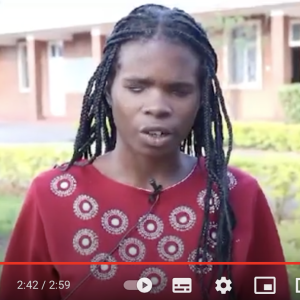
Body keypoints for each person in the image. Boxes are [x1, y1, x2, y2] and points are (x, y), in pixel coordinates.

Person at [0, 4, 290, 300]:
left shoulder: (238, 195)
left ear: (202, 98)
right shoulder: (53, 196)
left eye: (179, 90)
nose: (157, 107)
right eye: (137, 87)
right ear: (108, 91)